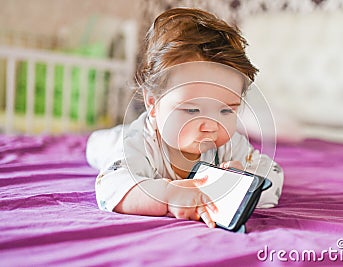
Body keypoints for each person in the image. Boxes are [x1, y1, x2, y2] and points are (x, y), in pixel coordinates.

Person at [86, 8, 284, 228]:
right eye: (191, 111)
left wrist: (241, 182)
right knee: (104, 146)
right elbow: (111, 187)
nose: (211, 126)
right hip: (111, 142)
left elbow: (273, 175)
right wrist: (169, 196)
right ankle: (96, 140)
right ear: (152, 103)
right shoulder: (138, 143)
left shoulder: (228, 145)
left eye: (226, 110)